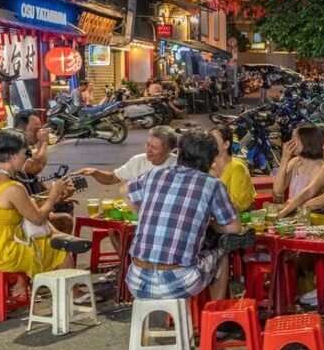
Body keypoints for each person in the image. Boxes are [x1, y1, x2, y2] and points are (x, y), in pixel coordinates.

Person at [125, 129, 246, 300]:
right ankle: (216, 317)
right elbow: (234, 228)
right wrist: (209, 223)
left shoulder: (154, 174)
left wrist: (142, 213)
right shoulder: (211, 183)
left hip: (136, 280)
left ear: (179, 152)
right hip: (177, 282)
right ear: (211, 158)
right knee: (220, 253)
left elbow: (125, 190)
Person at [0, 129, 73, 298]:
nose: (26, 158)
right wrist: (53, 197)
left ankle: (30, 286)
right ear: (11, 155)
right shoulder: (14, 187)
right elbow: (38, 219)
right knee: (59, 249)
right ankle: (73, 295)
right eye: (24, 153)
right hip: (0, 252)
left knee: (48, 238)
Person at [0, 110, 75, 232]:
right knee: (63, 221)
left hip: (23, 214)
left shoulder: (18, 162)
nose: (40, 133)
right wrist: (2, 197)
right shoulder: (5, 157)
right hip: (10, 227)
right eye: (35, 130)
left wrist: (54, 195)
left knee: (65, 208)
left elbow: (32, 184)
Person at [77, 125, 178, 186]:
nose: (148, 150)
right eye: (148, 145)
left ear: (170, 150)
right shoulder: (138, 161)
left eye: (154, 148)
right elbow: (112, 178)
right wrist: (95, 172)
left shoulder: (180, 165)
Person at [272, 125, 324, 204]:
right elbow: (277, 190)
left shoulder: (319, 167)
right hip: (292, 210)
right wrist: (284, 159)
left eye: (294, 138)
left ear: (307, 141)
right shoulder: (294, 162)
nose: (290, 142)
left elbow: (305, 198)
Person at [211, 124, 255, 213]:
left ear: (226, 144)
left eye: (214, 140)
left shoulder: (237, 167)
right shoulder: (208, 165)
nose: (210, 143)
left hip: (237, 219)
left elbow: (237, 204)